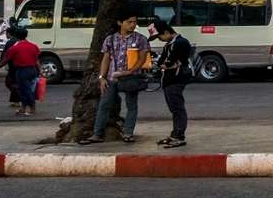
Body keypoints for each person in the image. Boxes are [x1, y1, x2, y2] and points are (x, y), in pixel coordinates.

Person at [81, 10, 152, 144]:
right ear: (120, 23)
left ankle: (128, 133)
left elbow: (142, 59)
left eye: (134, 22)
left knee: (131, 105)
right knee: (104, 105)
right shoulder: (111, 39)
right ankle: (97, 134)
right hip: (112, 77)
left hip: (131, 77)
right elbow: (106, 59)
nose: (132, 25)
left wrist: (129, 72)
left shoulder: (140, 39)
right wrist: (102, 77)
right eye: (129, 22)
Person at [152, 18, 195, 147]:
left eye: (159, 37)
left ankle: (179, 136)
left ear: (166, 32)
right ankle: (175, 134)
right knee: (174, 108)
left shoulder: (180, 43)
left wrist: (165, 64)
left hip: (176, 79)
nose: (159, 40)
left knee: (177, 108)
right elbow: (162, 63)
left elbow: (168, 63)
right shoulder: (169, 44)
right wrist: (163, 64)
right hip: (168, 80)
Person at [0, 22, 39, 116]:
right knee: (24, 90)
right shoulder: (33, 46)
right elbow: (37, 60)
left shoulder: (15, 48)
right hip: (33, 70)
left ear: (17, 36)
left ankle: (32, 109)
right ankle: (23, 109)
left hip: (22, 71)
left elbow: (4, 60)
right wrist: (41, 72)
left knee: (26, 90)